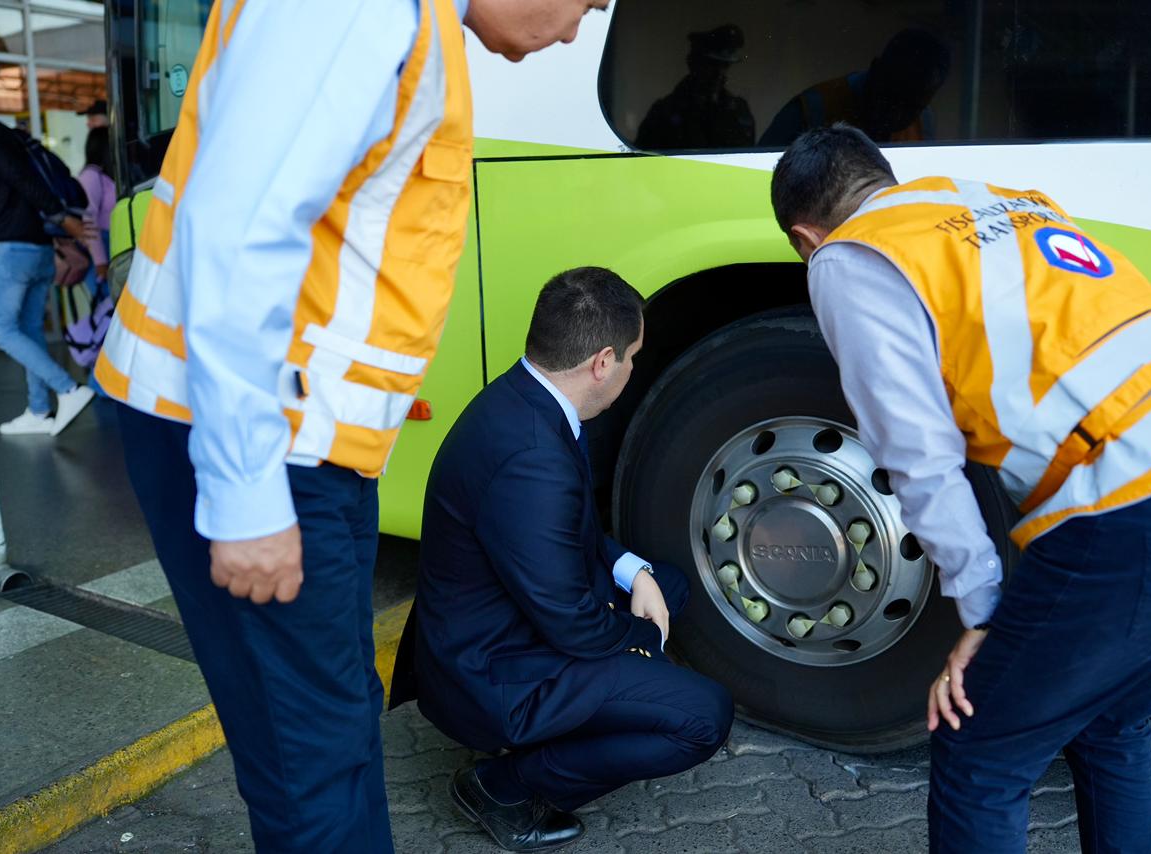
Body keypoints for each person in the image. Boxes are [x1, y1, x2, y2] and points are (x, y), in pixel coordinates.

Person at [94, 1, 612, 852]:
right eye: (588, 3)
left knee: (333, 734)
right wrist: (248, 494)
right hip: (268, 440)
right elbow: (241, 232)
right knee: (312, 760)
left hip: (302, 444)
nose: (574, 31)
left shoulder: (414, 20)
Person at [769, 123, 1151, 853]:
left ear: (805, 237)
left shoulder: (850, 257)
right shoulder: (1003, 201)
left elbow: (918, 454)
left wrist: (983, 611)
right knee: (1109, 718)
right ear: (883, 178)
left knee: (979, 753)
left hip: (1143, 499)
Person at [389, 268, 733, 852]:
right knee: (704, 716)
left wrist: (634, 571)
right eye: (632, 357)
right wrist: (641, 640)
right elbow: (570, 619)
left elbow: (564, 531)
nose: (633, 367)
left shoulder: (524, 399)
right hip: (496, 670)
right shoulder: (532, 458)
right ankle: (502, 785)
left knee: (668, 585)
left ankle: (592, 709)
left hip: (503, 621)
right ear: (603, 362)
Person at [0, 121, 96, 437]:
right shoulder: (13, 137)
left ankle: (67, 388)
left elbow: (21, 179)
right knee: (29, 329)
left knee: (1, 329)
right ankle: (39, 411)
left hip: (11, 248)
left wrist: (61, 218)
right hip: (38, 247)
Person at [759, 29, 951, 147]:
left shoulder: (923, 121)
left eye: (911, 107)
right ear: (875, 69)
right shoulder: (811, 109)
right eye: (890, 97)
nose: (896, 114)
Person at [635, 24, 755, 150]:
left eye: (725, 66)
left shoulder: (739, 111)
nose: (719, 74)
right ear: (693, 64)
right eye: (712, 65)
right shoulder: (664, 113)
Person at [78, 126, 116, 293]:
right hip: (101, 247)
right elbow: (88, 220)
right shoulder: (91, 176)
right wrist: (100, 262)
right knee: (108, 302)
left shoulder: (108, 174)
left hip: (113, 244)